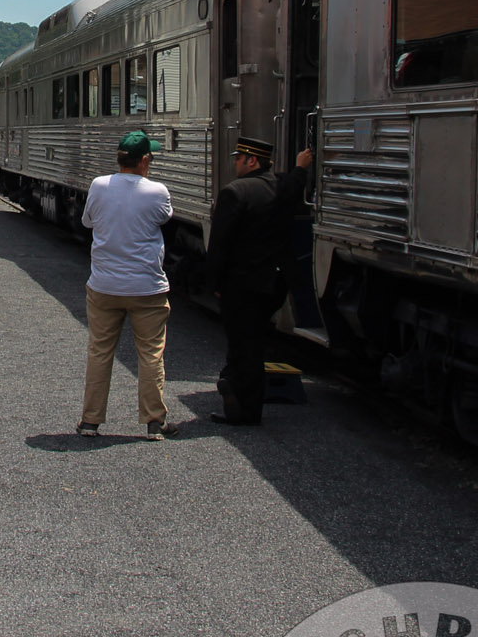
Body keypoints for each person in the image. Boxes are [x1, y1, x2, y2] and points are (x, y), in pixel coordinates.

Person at [205, 136, 314, 426]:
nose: (235, 163)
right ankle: (234, 383)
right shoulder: (281, 188)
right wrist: (302, 167)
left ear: (252, 161)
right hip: (275, 284)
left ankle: (244, 405)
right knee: (254, 338)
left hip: (241, 285)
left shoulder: (235, 192)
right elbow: (294, 186)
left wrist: (214, 281)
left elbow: (220, 244)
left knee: (243, 343)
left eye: (238, 158)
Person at [76, 131, 178, 440]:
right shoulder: (158, 191)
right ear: (145, 160)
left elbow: (87, 223)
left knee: (100, 351)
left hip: (104, 285)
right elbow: (164, 219)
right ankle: (154, 423)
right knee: (150, 354)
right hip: (147, 287)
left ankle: (91, 421)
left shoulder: (98, 185)